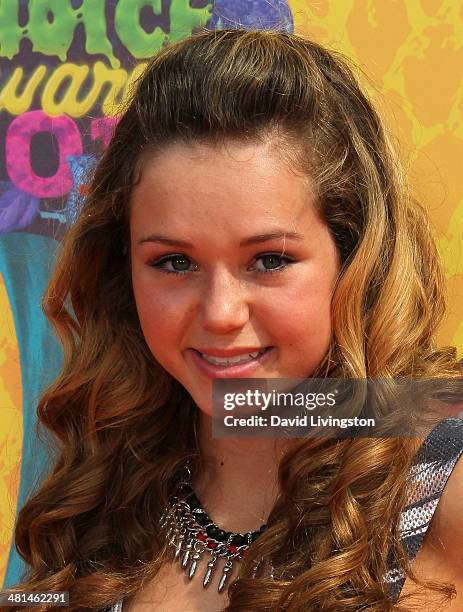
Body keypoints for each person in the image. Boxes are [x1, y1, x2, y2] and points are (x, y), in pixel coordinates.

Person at [4, 29, 463, 612]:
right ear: (123, 273)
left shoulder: (441, 484)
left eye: (269, 260)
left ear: (354, 259)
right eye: (174, 262)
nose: (220, 313)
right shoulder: (95, 497)